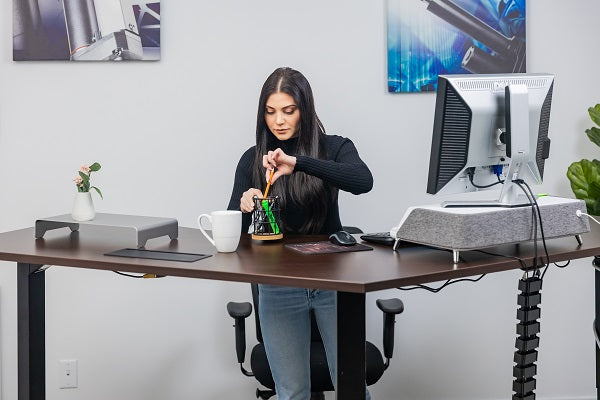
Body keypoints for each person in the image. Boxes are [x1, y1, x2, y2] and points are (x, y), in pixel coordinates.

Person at [227, 67, 373, 400]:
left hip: (335, 284)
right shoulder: (253, 160)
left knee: (353, 391)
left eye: (288, 111)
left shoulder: (335, 148)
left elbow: (363, 181)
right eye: (270, 111)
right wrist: (245, 204)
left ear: (304, 111)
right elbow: (233, 237)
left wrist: (300, 162)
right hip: (278, 287)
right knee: (291, 393)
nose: (279, 120)